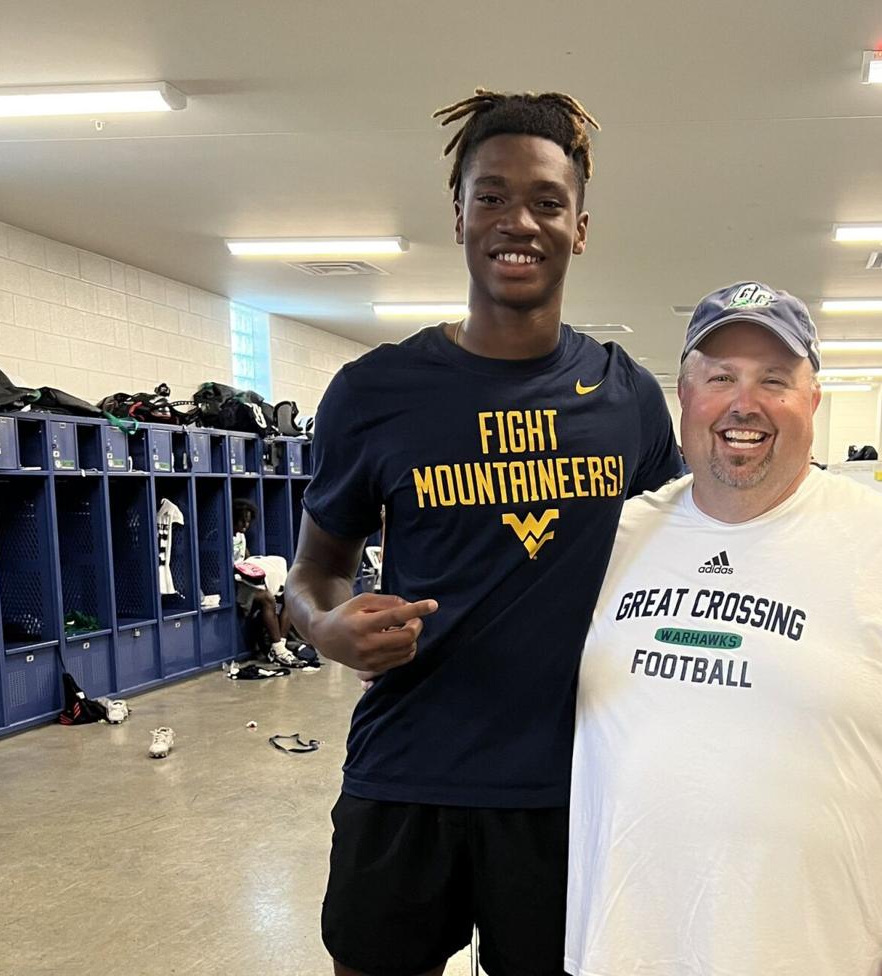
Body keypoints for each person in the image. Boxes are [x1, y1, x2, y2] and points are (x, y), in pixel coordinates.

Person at [285, 88, 682, 976]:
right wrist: (325, 628)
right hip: (405, 773)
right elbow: (313, 574)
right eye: (492, 195)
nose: (519, 221)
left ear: (580, 227)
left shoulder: (627, 398)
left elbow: (682, 571)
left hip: (568, 786)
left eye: (548, 201)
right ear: (458, 213)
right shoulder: (374, 393)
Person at [566, 281, 882, 976]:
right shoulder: (616, 538)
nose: (743, 403)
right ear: (684, 398)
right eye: (720, 377)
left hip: (816, 954)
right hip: (616, 952)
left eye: (774, 380)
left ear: (813, 398)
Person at [232, 499, 302, 666]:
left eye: (248, 521)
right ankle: (278, 649)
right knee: (267, 599)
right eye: (242, 520)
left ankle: (279, 647)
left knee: (289, 597)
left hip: (247, 581)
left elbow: (248, 560)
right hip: (233, 585)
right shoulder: (219, 536)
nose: (246, 524)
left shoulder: (241, 537)